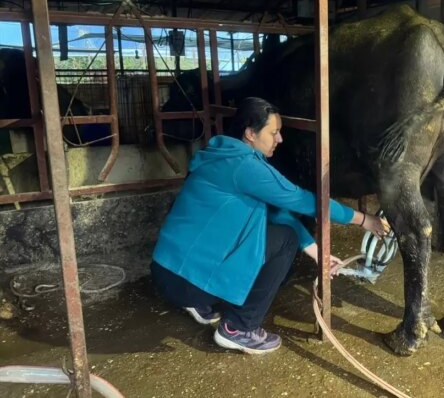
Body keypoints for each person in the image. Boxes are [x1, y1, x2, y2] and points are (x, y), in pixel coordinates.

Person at [151, 97, 390, 355]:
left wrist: (319, 254)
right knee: (284, 242)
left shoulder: (220, 154)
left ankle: (203, 303)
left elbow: (280, 213)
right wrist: (364, 220)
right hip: (187, 282)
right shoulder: (246, 167)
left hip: (165, 271)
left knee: (273, 232)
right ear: (250, 133)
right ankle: (238, 329)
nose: (280, 140)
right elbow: (308, 202)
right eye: (274, 133)